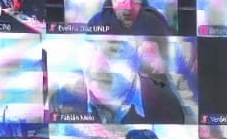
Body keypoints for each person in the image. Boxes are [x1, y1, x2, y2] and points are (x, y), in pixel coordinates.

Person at [48, 40, 185, 125]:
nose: (97, 64)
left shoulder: (166, 104)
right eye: (90, 49)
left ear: (138, 55)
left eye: (114, 50)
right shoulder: (62, 101)